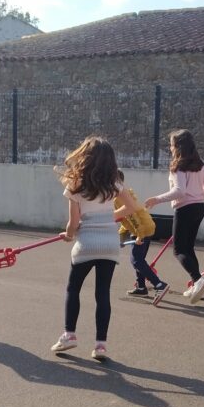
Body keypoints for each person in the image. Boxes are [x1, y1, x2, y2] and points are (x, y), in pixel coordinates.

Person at [51, 137, 136, 360]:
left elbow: (73, 222)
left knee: (73, 288)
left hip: (86, 244)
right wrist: (108, 217)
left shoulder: (75, 183)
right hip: (109, 245)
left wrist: (69, 235)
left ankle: (69, 335)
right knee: (102, 293)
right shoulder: (114, 182)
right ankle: (100, 346)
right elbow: (131, 207)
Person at [143, 129, 204, 302]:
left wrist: (156, 199)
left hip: (185, 209)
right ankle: (196, 283)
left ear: (178, 146)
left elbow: (179, 191)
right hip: (199, 208)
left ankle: (198, 279)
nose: (170, 148)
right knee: (188, 248)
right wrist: (198, 198)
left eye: (172, 145)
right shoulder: (200, 164)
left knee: (179, 250)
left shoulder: (178, 166)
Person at [115, 170, 169, 305]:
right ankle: (141, 287)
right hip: (146, 227)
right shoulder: (124, 195)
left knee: (136, 261)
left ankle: (159, 285)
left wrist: (139, 235)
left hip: (142, 229)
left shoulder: (118, 198)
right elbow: (125, 221)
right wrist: (121, 236)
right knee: (139, 259)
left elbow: (131, 216)